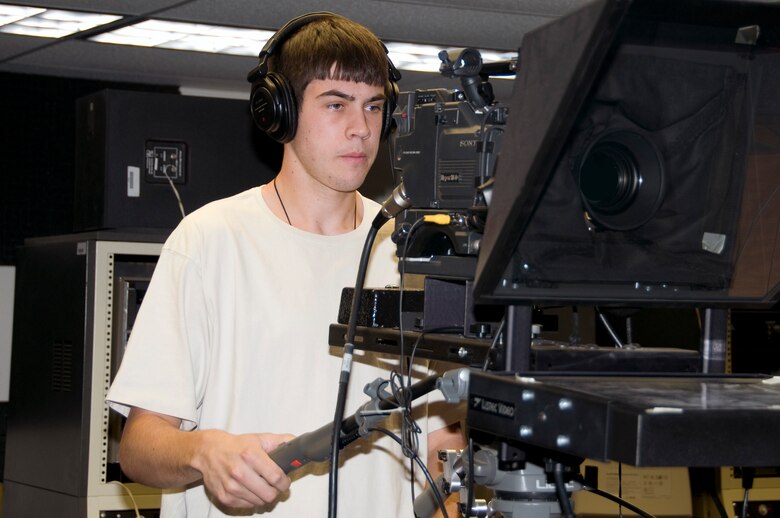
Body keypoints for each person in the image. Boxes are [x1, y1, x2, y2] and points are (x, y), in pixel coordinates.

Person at [106, 12, 462, 517]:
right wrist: (204, 452)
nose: (361, 128)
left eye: (374, 106)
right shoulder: (210, 241)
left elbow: (441, 446)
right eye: (336, 104)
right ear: (281, 112)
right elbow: (138, 447)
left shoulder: (414, 250)